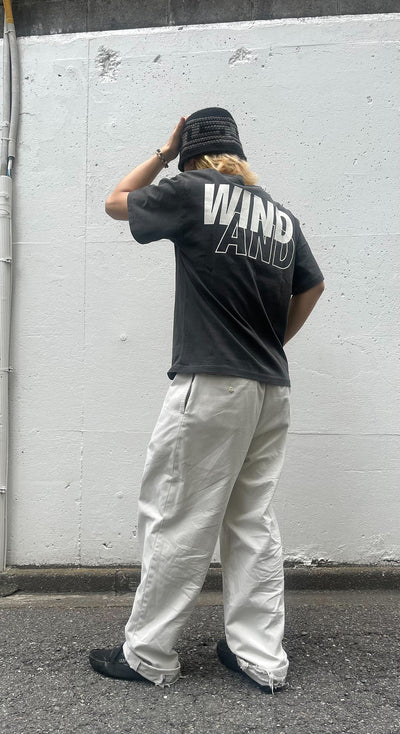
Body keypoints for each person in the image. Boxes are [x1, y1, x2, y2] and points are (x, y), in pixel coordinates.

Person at [89, 107, 324, 692]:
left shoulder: (192, 191)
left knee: (177, 515)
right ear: (238, 152)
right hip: (270, 386)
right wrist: (272, 340)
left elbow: (116, 201)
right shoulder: (280, 217)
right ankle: (260, 657)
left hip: (213, 384)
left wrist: (163, 154)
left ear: (193, 154)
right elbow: (313, 284)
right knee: (251, 520)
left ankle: (148, 655)